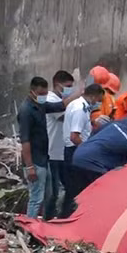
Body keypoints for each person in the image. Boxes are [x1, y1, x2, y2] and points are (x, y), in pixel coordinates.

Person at [18, 76, 82, 218]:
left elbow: (59, 106)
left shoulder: (40, 105)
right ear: (32, 91)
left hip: (43, 158)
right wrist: (29, 167)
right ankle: (29, 229)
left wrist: (77, 94)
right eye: (41, 94)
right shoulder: (26, 111)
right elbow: (25, 141)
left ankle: (43, 225)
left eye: (45, 94)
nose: (44, 97)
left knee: (49, 195)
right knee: (36, 198)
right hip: (34, 160)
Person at [65, 113, 127, 206]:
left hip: (78, 155)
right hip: (92, 165)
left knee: (76, 195)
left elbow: (95, 132)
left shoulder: (116, 125)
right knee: (99, 197)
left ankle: (64, 215)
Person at [59, 84, 105, 217]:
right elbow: (74, 137)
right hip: (75, 152)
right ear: (93, 96)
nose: (97, 103)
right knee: (75, 190)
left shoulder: (78, 105)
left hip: (74, 151)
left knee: (73, 189)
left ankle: (66, 217)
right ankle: (66, 218)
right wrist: (87, 150)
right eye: (97, 100)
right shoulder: (80, 109)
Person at [43, 70, 74, 220]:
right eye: (67, 86)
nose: (70, 90)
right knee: (53, 192)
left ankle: (59, 218)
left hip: (60, 151)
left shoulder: (60, 100)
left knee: (65, 187)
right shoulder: (50, 99)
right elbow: (64, 116)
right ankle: (48, 219)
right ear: (57, 84)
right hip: (51, 152)